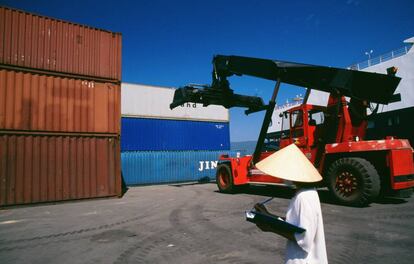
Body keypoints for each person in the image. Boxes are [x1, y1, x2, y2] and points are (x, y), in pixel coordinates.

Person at [255, 144, 328, 264]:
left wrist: (271, 227)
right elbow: (295, 224)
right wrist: (268, 216)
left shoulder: (303, 197)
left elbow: (304, 238)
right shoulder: (307, 192)